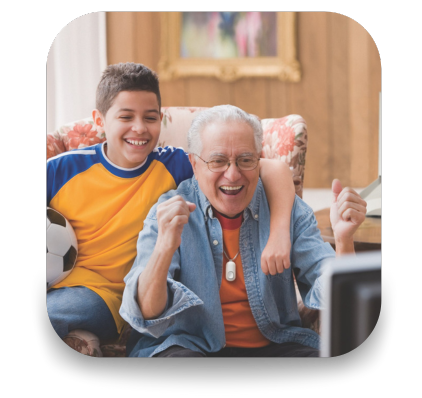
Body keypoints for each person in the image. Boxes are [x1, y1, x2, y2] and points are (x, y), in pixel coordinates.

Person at [46, 63, 296, 356]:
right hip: (57, 282)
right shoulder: (63, 168)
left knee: (55, 312)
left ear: (161, 120)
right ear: (99, 120)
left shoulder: (175, 164)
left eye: (150, 117)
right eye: (126, 116)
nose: (139, 128)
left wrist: (280, 232)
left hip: (111, 297)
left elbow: (275, 168)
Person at [120, 104, 367, 358]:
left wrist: (344, 240)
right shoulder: (167, 212)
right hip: (189, 346)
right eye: (217, 161)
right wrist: (164, 247)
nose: (233, 174)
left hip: (277, 345)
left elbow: (342, 301)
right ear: (194, 163)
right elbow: (146, 313)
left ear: (259, 160)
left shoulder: (289, 211)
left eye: (245, 160)